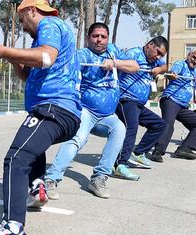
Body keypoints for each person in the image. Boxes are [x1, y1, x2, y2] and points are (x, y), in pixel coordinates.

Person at [0, 0, 81, 235]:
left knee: (16, 159)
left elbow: (45, 57)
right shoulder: (44, 38)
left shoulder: (50, 25)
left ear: (31, 11)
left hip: (54, 108)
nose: (23, 25)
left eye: (22, 19)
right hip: (59, 111)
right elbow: (29, 75)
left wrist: (5, 48)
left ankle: (12, 226)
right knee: (32, 147)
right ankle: (37, 187)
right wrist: (9, 56)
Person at [44, 23, 139, 200]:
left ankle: (99, 178)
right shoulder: (82, 55)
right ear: (88, 38)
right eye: (95, 36)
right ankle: (51, 179)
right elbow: (64, 73)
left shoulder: (112, 51)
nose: (99, 40)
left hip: (107, 116)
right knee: (77, 139)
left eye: (103, 37)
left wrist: (115, 63)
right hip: (86, 111)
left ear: (108, 38)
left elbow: (135, 66)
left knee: (119, 130)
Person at [114, 37, 168, 175]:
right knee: (131, 128)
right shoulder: (133, 54)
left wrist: (160, 68)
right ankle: (119, 164)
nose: (159, 57)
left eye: (162, 55)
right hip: (125, 99)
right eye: (158, 52)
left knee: (159, 124)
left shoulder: (154, 60)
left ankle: (138, 153)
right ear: (150, 45)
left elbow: (167, 66)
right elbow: (118, 64)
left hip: (139, 103)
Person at [149, 49, 196, 162]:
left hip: (183, 106)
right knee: (168, 124)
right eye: (194, 57)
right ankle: (157, 152)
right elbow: (171, 74)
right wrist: (172, 75)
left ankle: (184, 149)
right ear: (189, 55)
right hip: (171, 100)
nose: (195, 60)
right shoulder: (180, 64)